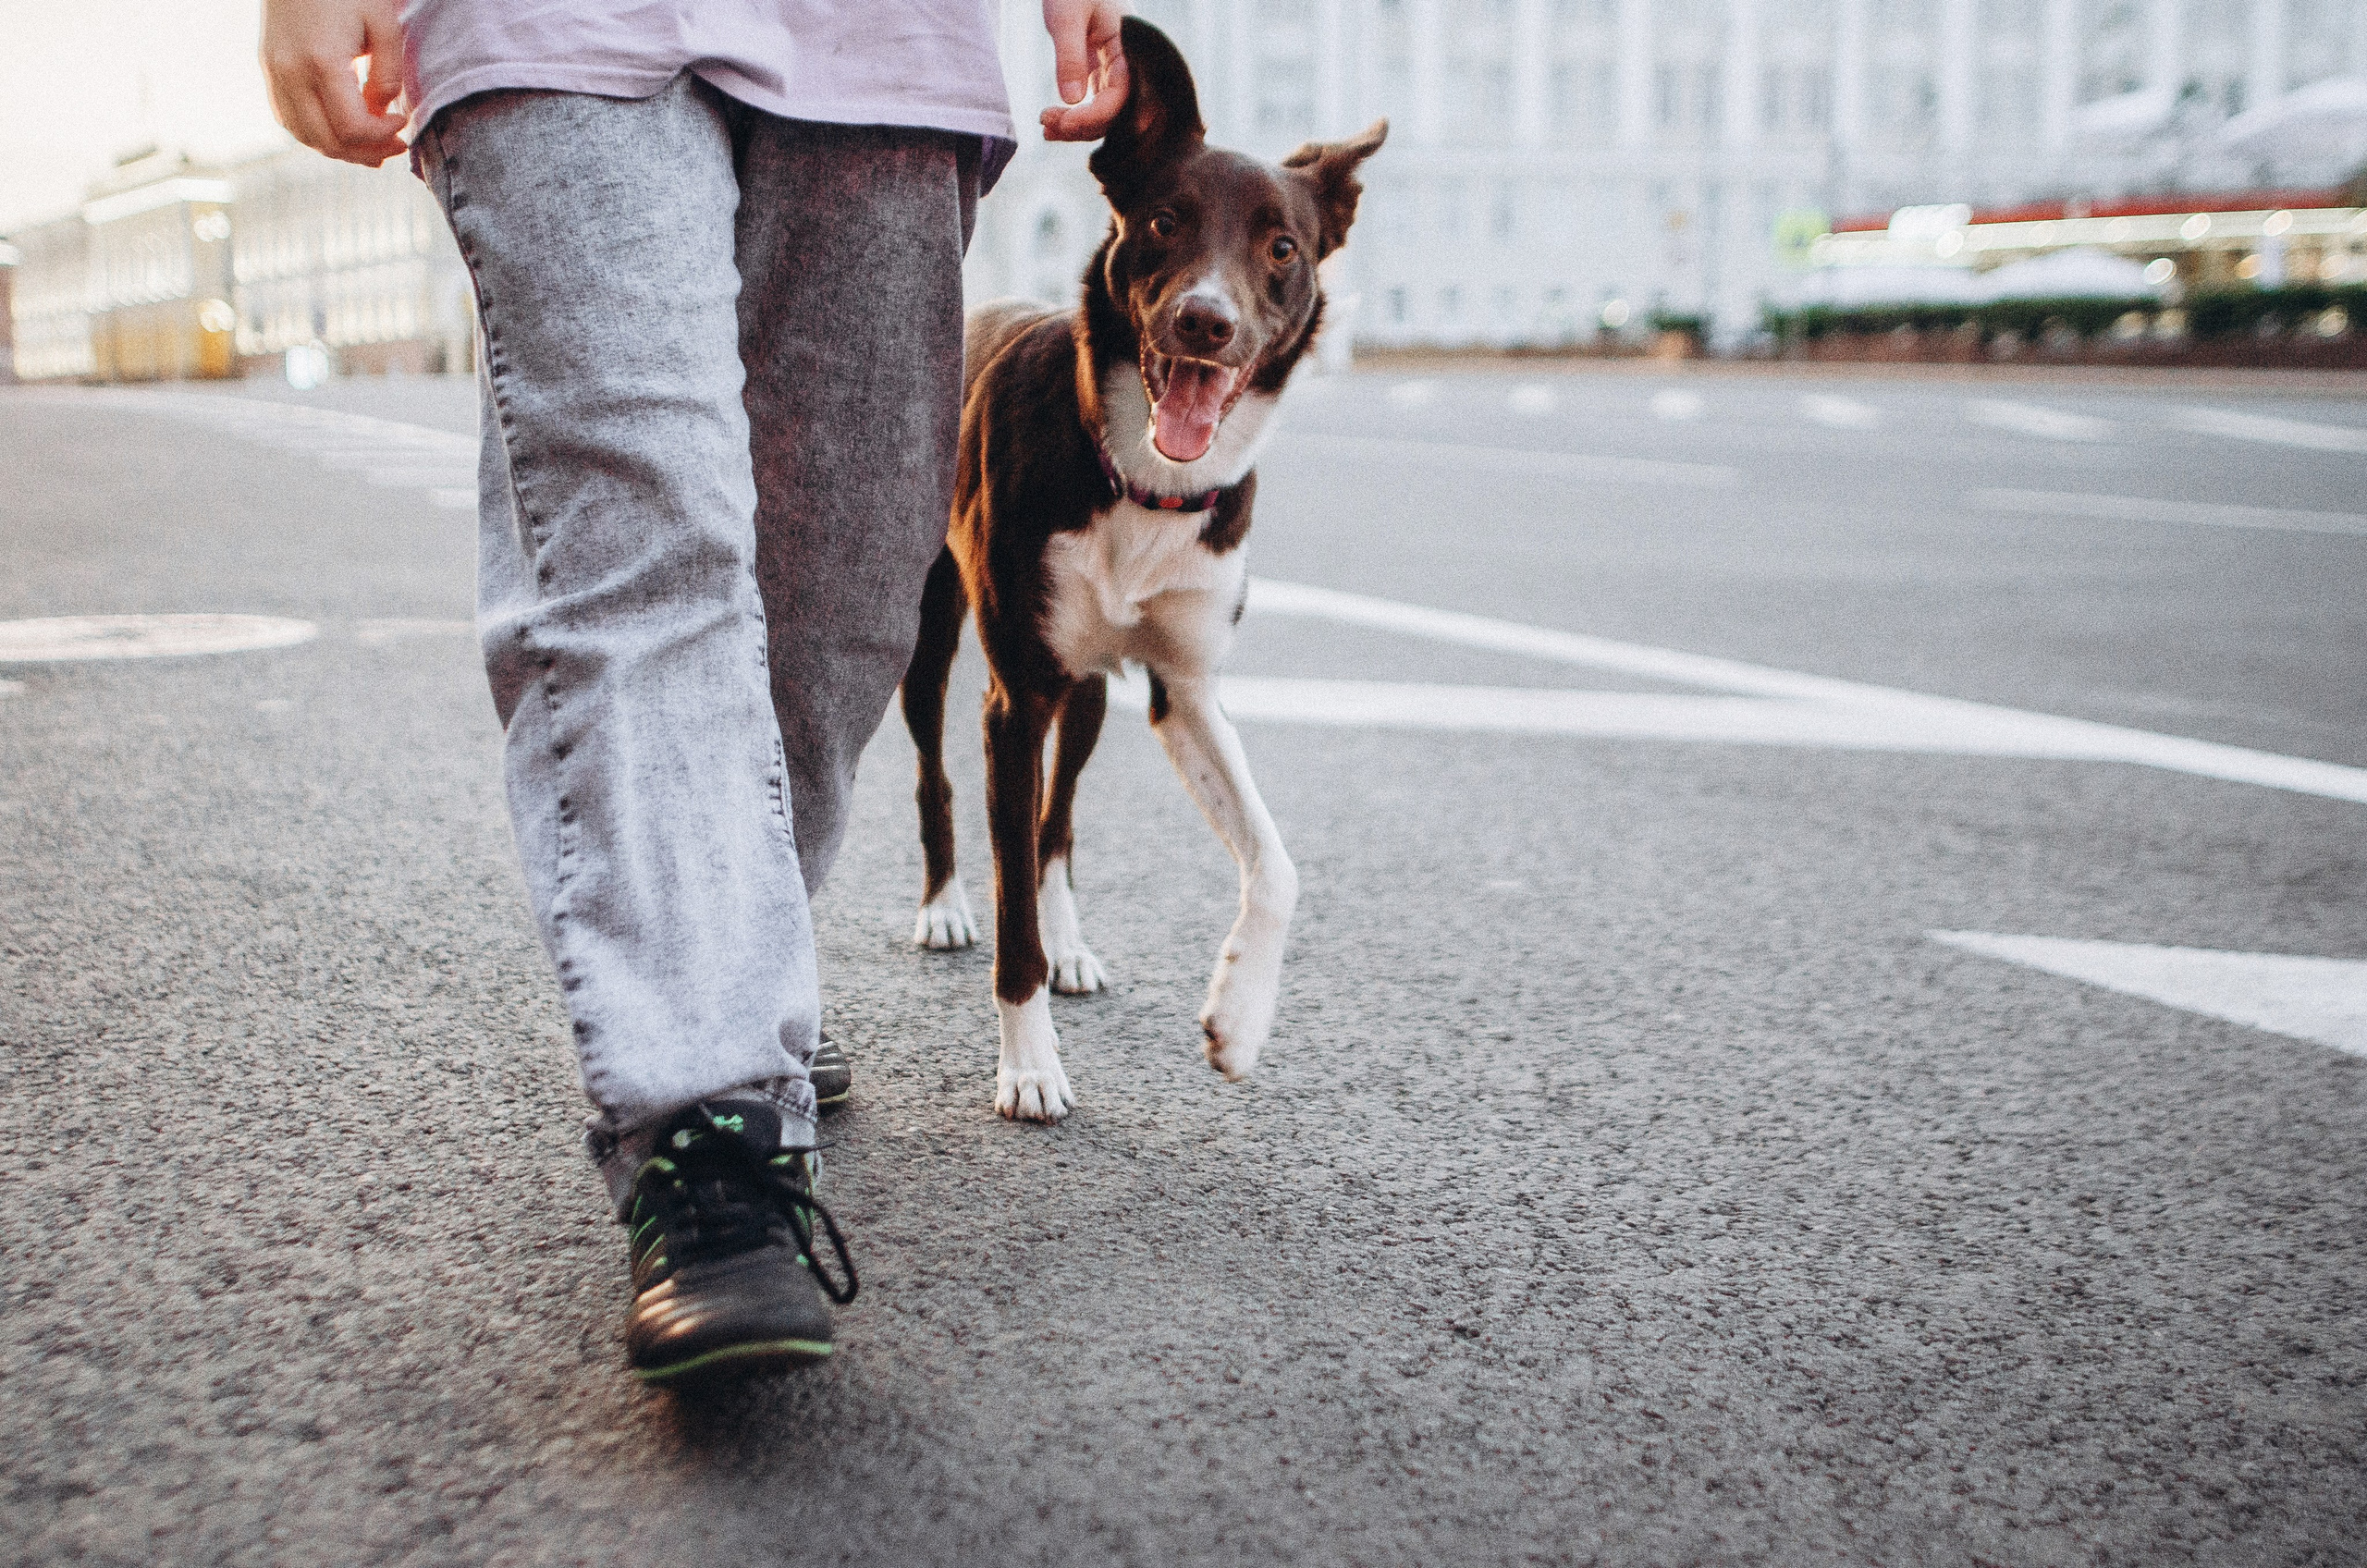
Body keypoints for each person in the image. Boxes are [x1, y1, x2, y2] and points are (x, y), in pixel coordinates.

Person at [260, 0, 1131, 1385]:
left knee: (843, 590)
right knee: (639, 532)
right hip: (550, 35)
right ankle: (708, 1121)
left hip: (881, 46)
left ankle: (741, 958)